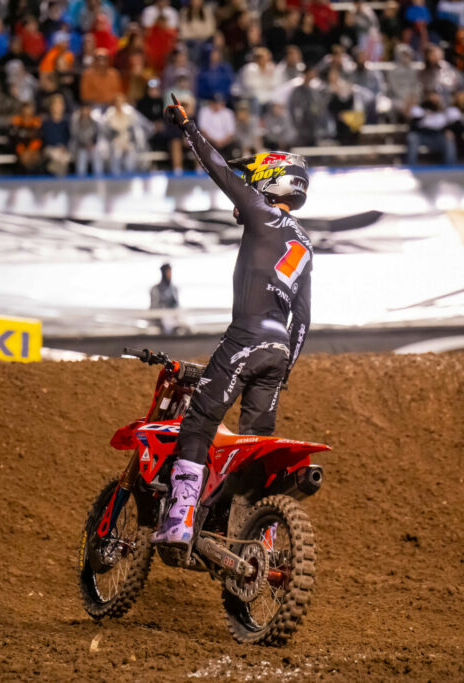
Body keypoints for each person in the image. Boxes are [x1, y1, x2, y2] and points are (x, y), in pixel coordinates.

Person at [151, 98, 313, 548]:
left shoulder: (263, 215)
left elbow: (217, 168)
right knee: (250, 449)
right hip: (279, 353)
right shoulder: (304, 244)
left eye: (253, 182)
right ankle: (251, 538)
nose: (245, 190)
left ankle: (180, 519)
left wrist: (187, 126)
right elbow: (302, 321)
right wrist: (283, 374)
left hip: (246, 337)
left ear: (269, 185)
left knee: (198, 423)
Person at [406, 91, 457, 165]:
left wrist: (448, 130)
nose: (434, 101)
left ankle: (451, 167)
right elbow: (414, 125)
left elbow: (446, 124)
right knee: (412, 137)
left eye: (436, 99)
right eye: (432, 99)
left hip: (437, 137)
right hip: (423, 136)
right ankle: (411, 165)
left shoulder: (444, 112)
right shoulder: (419, 109)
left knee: (449, 138)